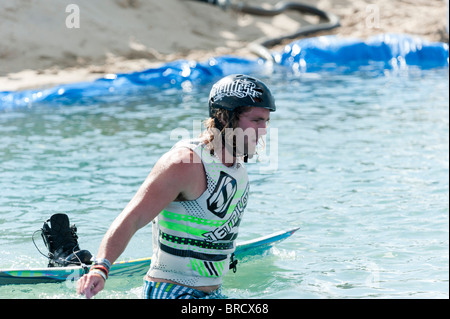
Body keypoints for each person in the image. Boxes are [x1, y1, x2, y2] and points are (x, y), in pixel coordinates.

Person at [76, 74, 276, 299]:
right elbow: (132, 218)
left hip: (212, 294)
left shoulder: (236, 168)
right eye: (256, 120)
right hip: (172, 292)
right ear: (224, 116)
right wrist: (100, 268)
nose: (264, 130)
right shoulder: (184, 163)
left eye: (266, 122)